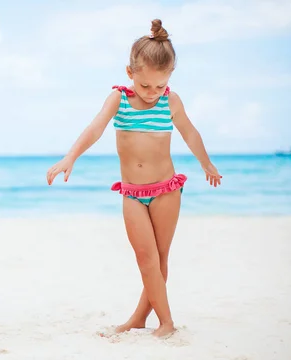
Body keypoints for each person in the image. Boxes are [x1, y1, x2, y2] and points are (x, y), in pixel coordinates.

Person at [46, 20, 222, 337]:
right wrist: (70, 156)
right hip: (132, 193)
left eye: (159, 86)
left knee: (160, 258)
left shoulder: (171, 101)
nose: (153, 93)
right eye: (146, 86)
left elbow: (190, 133)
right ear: (131, 74)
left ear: (169, 78)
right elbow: (96, 127)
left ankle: (163, 322)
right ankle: (141, 319)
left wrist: (206, 164)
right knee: (145, 259)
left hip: (166, 190)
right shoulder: (120, 99)